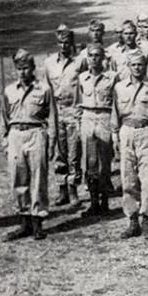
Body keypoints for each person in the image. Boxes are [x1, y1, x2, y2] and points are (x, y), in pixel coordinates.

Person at [3, 49, 61, 241]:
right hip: (15, 136)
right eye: (19, 68)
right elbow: (4, 118)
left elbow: (52, 118)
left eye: (26, 68)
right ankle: (24, 222)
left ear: (33, 68)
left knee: (38, 179)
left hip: (36, 133)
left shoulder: (44, 89)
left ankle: (37, 222)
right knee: (18, 179)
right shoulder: (9, 90)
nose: (22, 72)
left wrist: (52, 143)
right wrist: (6, 142)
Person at [112, 50, 148, 240]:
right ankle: (132, 220)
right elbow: (115, 114)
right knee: (128, 178)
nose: (137, 68)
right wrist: (114, 136)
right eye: (133, 65)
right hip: (126, 132)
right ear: (128, 66)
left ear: (146, 66)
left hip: (146, 133)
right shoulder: (120, 87)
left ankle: (146, 221)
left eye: (140, 64)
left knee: (147, 178)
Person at [45, 24, 85, 206]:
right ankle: (62, 189)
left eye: (67, 42)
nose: (64, 46)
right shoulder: (49, 63)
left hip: (74, 111)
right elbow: (46, 89)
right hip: (56, 112)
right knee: (59, 153)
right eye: (61, 42)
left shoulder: (79, 62)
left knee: (74, 153)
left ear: (72, 43)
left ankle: (73, 189)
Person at [75, 43, 116, 217]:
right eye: (91, 55)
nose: (93, 59)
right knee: (90, 162)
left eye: (97, 55)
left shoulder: (112, 77)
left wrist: (115, 127)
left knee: (105, 162)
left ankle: (105, 200)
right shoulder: (82, 77)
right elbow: (78, 104)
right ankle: (93, 202)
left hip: (105, 117)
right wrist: (79, 125)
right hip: (87, 118)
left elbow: (117, 103)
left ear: (103, 58)